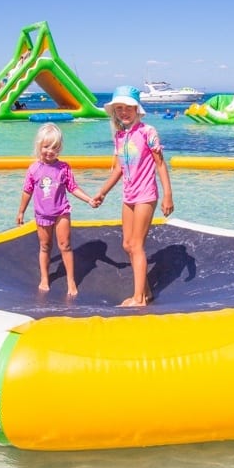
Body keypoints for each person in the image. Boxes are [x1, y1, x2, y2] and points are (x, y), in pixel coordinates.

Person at [92, 86, 174, 307]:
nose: (124, 112)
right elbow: (119, 169)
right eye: (119, 108)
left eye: (128, 107)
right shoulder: (120, 136)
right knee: (127, 244)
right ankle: (146, 292)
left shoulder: (148, 132)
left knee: (136, 244)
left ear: (137, 109)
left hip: (146, 194)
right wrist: (102, 192)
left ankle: (138, 300)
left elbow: (160, 163)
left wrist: (168, 195)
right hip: (129, 195)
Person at [16, 123, 97, 296]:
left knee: (65, 245)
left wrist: (89, 199)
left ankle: (71, 280)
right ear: (39, 146)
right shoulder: (34, 169)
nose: (50, 151)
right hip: (42, 215)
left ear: (59, 148)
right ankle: (45, 278)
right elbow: (27, 191)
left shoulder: (63, 168)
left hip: (61, 212)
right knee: (45, 246)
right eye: (46, 147)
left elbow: (73, 188)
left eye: (54, 147)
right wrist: (21, 211)